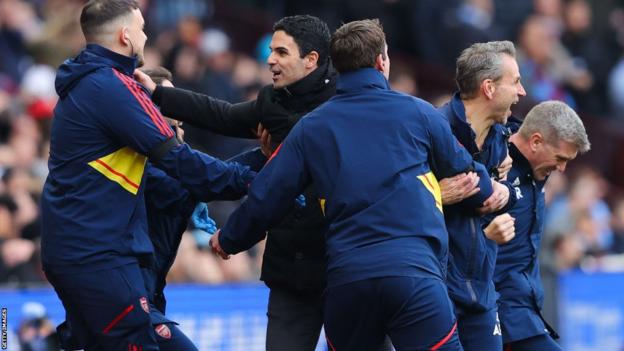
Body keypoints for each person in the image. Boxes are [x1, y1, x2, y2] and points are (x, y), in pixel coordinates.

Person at [210, 19, 500, 350]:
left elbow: (267, 195)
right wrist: (495, 192)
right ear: (381, 61)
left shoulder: (311, 127)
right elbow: (467, 173)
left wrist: (230, 239)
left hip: (349, 283)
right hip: (414, 276)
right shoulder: (419, 113)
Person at [41, 1, 255, 350]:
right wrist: (257, 180)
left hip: (83, 252)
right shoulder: (110, 87)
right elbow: (181, 163)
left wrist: (264, 163)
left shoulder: (91, 84)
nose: (145, 35)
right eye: (141, 28)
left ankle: (39, 341)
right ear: (126, 36)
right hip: (99, 256)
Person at [134, 15, 336, 350]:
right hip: (291, 269)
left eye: (282, 52)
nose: (270, 59)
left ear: (311, 59)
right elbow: (223, 115)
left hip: (342, 262)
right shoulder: (273, 100)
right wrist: (159, 96)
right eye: (271, 51)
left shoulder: (343, 103)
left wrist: (232, 237)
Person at [437, 41, 526, 350]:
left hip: (481, 290)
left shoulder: (502, 135)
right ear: (488, 88)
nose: (522, 91)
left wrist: (505, 194)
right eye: (515, 81)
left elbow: (515, 191)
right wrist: (435, 194)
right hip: (435, 289)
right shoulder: (434, 129)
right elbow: (399, 197)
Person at [493, 101, 590, 351]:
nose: (562, 168)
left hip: (527, 311)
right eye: (560, 158)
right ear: (536, 142)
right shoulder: (495, 166)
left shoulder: (537, 173)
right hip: (496, 313)